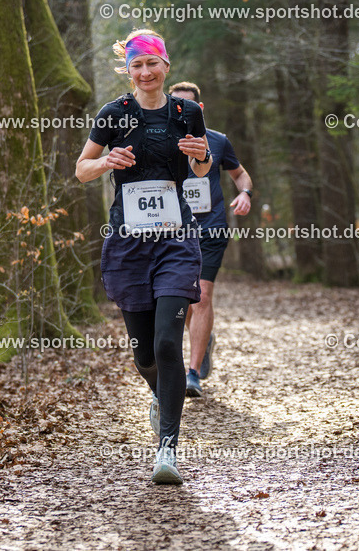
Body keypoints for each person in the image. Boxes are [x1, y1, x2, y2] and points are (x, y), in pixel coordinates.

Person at [76, 30, 211, 485]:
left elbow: (203, 165)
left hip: (176, 239)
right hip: (129, 243)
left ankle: (167, 448)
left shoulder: (185, 112)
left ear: (166, 66)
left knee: (168, 343)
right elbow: (81, 170)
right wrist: (106, 162)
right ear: (128, 71)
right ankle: (160, 394)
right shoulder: (114, 115)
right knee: (143, 352)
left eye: (153, 64)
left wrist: (203, 156)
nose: (146, 72)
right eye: (137, 66)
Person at [168, 82, 253, 398]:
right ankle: (203, 339)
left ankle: (192, 374)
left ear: (198, 109)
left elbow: (240, 174)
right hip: (173, 232)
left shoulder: (217, 141)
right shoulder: (160, 141)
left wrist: (245, 193)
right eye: (174, 105)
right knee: (181, 300)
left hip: (210, 229)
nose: (180, 111)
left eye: (186, 105)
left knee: (202, 296)